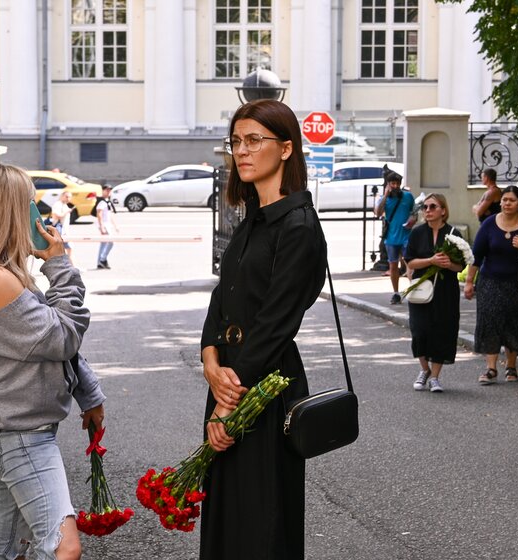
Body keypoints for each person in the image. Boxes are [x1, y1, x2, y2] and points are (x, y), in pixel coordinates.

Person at [0, 162, 106, 560]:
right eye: (30, 205)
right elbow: (63, 337)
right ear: (12, 212)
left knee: (8, 548)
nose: (38, 214)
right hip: (18, 434)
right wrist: (60, 263)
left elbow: (48, 339)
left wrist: (89, 393)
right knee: (63, 547)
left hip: (12, 428)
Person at [199, 99, 327, 559]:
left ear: (287, 148)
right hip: (230, 378)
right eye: (236, 141)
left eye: (254, 140)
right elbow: (223, 296)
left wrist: (228, 403)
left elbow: (275, 324)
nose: (242, 151)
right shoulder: (251, 218)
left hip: (264, 387)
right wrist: (210, 360)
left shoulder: (299, 227)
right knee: (228, 515)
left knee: (261, 520)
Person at [464, 185, 518, 384]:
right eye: (504, 200)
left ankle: (511, 367)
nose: (507, 203)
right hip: (490, 281)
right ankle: (491, 369)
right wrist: (469, 282)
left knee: (514, 324)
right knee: (491, 322)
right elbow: (476, 256)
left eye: (511, 200)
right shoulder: (489, 224)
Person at [405, 194, 464, 393]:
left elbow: (460, 266)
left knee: (442, 331)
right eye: (425, 207)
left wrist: (450, 264)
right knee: (419, 331)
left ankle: (435, 377)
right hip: (422, 288)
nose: (427, 210)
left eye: (432, 206)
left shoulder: (454, 233)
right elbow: (410, 262)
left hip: (446, 291)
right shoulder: (417, 232)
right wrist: (431, 261)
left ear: (443, 210)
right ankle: (424, 370)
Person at [374, 169, 415, 304]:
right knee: (393, 266)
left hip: (406, 236)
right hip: (391, 238)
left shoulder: (408, 196)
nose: (396, 186)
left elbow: (414, 212)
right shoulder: (384, 199)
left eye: (397, 183)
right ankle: (396, 293)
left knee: (410, 263)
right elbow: (378, 213)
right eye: (393, 183)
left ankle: (414, 291)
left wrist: (412, 219)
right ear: (388, 184)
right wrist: (385, 196)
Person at [96, 184, 118, 269]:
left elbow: (110, 214)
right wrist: (101, 226)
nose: (109, 192)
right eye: (107, 190)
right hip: (104, 225)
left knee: (104, 244)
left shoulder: (107, 201)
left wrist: (115, 225)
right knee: (111, 242)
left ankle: (100, 262)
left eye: (110, 190)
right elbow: (99, 214)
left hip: (108, 224)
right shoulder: (102, 201)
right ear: (103, 191)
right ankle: (102, 259)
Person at [50, 190, 74, 264]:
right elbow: (56, 215)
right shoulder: (58, 204)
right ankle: (72, 266)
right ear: (62, 196)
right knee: (68, 248)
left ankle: (70, 266)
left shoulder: (64, 205)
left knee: (67, 249)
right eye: (66, 196)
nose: (68, 198)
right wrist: (67, 212)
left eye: (69, 197)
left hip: (64, 231)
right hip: (60, 231)